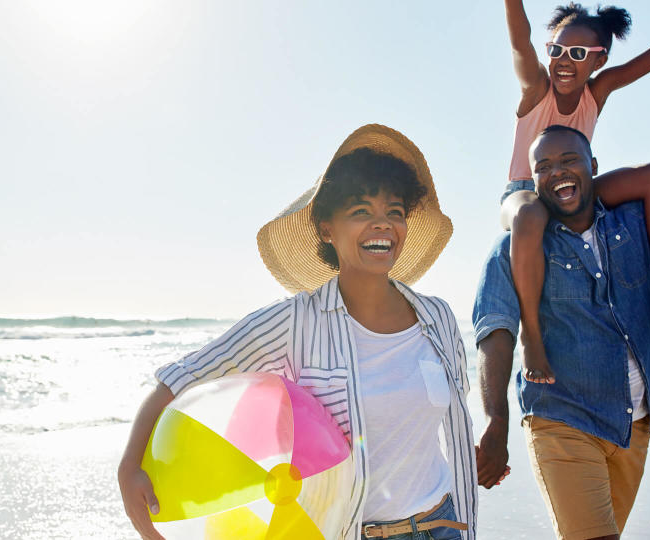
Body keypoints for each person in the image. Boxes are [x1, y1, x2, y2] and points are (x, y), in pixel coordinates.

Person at [119, 125, 495, 540]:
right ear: (326, 229)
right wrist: (129, 467)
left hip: (442, 526)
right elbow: (183, 376)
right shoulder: (296, 321)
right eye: (360, 212)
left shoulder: (437, 317)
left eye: (394, 212)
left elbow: (444, 418)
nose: (382, 225)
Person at [474, 50, 650, 540]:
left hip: (635, 425)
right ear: (532, 180)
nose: (558, 173)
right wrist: (495, 420)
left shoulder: (639, 223)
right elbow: (494, 326)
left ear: (593, 165)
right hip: (561, 419)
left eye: (569, 160)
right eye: (545, 167)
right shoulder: (517, 247)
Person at [501, 0, 650, 385]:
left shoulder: (598, 91)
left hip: (577, 189)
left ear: (599, 61)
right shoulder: (536, 88)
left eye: (577, 53)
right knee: (529, 214)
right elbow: (519, 41)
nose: (563, 60)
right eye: (556, 51)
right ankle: (531, 335)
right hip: (526, 191)